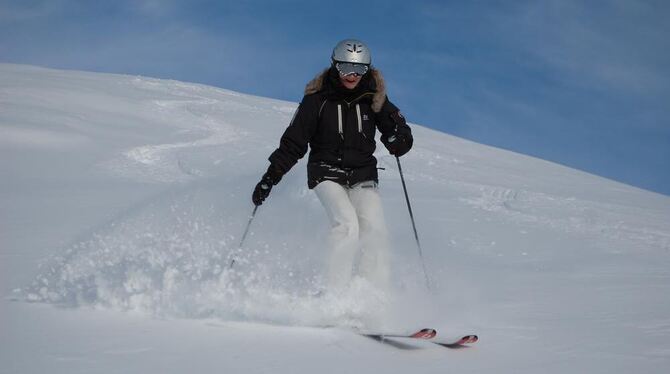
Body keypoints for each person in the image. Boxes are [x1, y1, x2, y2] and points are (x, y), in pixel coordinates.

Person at [251, 39, 413, 295]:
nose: (352, 75)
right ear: (335, 65)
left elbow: (399, 129)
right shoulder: (317, 99)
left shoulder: (375, 97)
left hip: (362, 174)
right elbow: (294, 141)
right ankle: (333, 296)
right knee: (347, 226)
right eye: (346, 67)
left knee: (375, 230)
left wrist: (399, 140)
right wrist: (271, 177)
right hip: (326, 172)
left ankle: (371, 298)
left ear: (367, 70)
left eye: (359, 69)